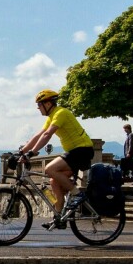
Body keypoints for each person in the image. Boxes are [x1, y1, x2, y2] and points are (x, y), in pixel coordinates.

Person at [17, 89, 94, 230]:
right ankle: (59, 218)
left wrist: (32, 153)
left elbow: (47, 135)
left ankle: (78, 195)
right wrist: (22, 151)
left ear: (47, 103)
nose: (38, 109)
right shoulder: (51, 117)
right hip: (74, 152)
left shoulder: (61, 113)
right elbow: (38, 135)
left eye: (39, 105)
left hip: (82, 150)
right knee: (54, 181)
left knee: (49, 169)